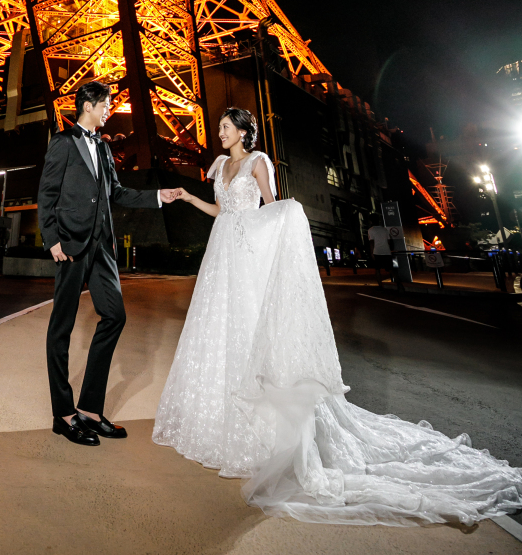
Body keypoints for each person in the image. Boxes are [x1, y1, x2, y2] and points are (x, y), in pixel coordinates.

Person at [152, 106, 522, 526]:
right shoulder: (220, 165)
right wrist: (186, 197)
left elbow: (270, 211)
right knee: (219, 332)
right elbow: (221, 212)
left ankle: (265, 426)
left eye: (223, 126)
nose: (217, 132)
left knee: (252, 331)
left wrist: (286, 228)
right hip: (221, 256)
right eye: (219, 127)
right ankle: (220, 419)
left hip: (247, 256)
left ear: (242, 131)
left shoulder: (259, 162)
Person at [38, 81, 178, 447]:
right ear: (88, 105)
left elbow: (115, 192)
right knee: (62, 328)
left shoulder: (102, 147)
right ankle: (64, 414)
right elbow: (47, 194)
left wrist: (157, 197)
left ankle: (89, 409)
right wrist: (51, 239)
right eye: (105, 105)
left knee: (115, 315)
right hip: (69, 244)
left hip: (102, 247)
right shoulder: (63, 142)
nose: (108, 110)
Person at [367, 213, 394, 285]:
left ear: (371, 221)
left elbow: (371, 242)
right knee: (391, 269)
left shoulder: (371, 230)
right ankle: (399, 285)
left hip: (377, 252)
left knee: (377, 270)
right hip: (387, 251)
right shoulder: (385, 230)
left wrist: (372, 253)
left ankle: (380, 286)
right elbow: (389, 241)